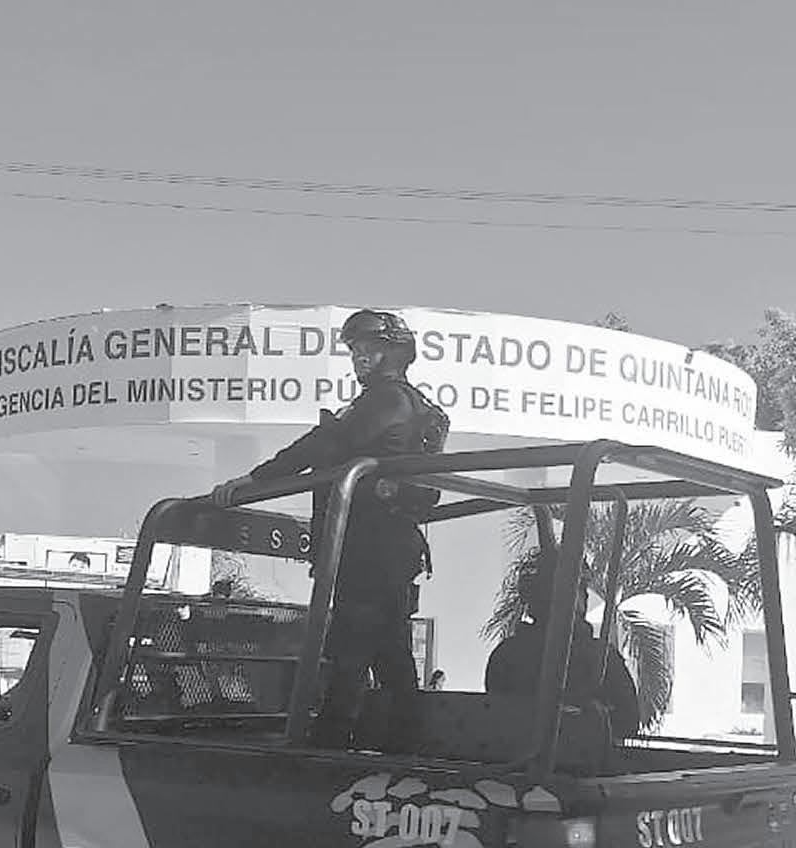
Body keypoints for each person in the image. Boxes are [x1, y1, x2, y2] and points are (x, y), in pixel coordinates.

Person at [210, 309, 449, 750]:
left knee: (351, 649)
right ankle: (405, 745)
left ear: (396, 352)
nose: (360, 356)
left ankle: (329, 746)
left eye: (370, 348)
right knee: (389, 649)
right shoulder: (407, 404)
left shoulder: (386, 402)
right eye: (356, 349)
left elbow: (323, 445)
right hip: (389, 546)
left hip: (369, 547)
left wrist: (256, 479)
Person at [485, 559, 643, 739]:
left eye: (582, 588)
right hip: (550, 755)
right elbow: (628, 722)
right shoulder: (602, 656)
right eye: (579, 587)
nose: (585, 595)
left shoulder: (506, 654)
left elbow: (628, 722)